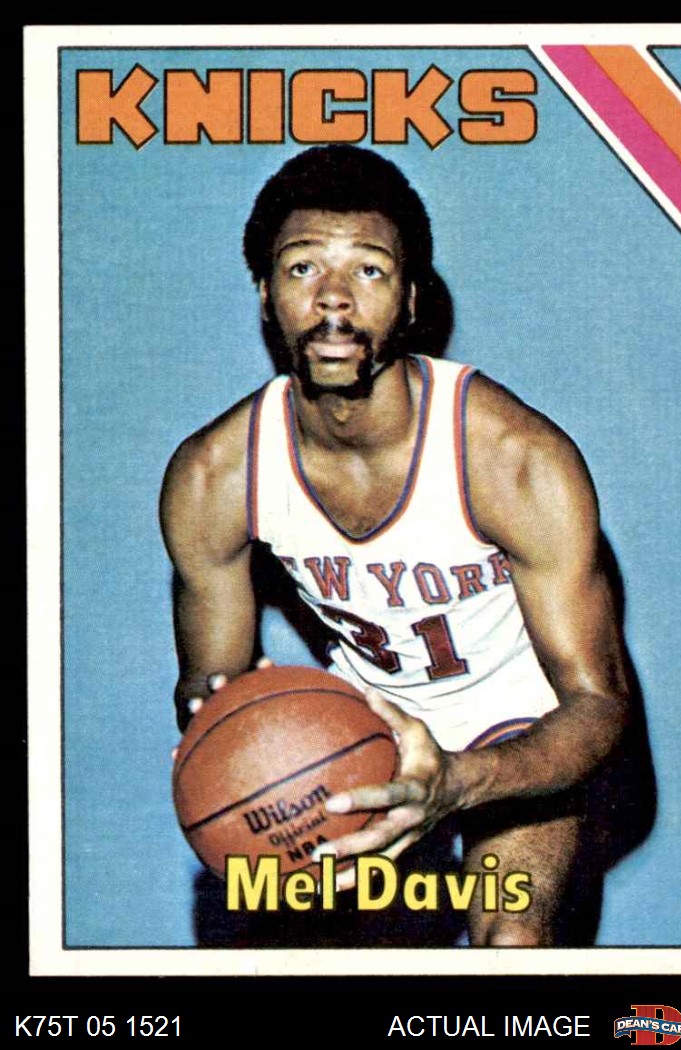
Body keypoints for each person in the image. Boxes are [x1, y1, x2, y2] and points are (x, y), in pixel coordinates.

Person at [160, 144, 633, 947]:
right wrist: (230, 727)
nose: (334, 298)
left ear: (411, 300)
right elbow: (208, 683)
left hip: (522, 721)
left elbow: (598, 705)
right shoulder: (215, 477)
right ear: (265, 294)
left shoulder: (514, 460)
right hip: (369, 719)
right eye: (303, 267)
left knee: (512, 939)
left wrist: (459, 781)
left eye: (370, 271)